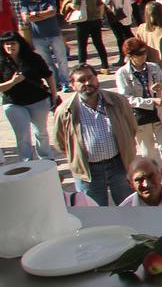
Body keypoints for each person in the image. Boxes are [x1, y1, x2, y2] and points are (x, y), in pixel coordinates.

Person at [51, 65, 138, 205]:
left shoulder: (118, 101)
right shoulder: (64, 111)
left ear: (97, 79)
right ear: (73, 85)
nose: (87, 83)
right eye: (81, 80)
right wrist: (77, 156)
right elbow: (60, 142)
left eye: (90, 78)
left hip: (119, 165)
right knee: (95, 212)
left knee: (129, 206)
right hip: (88, 171)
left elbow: (131, 128)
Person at [0, 31, 58, 161]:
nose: (10, 47)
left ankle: (46, 158)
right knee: (22, 135)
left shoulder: (33, 58)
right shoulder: (1, 62)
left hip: (38, 100)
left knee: (41, 132)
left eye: (13, 43)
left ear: (19, 44)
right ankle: (28, 162)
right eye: (6, 44)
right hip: (13, 103)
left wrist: (54, 94)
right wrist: (12, 82)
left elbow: (48, 75)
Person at [116, 37, 162, 161]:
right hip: (140, 117)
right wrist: (151, 102)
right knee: (148, 153)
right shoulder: (122, 73)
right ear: (130, 56)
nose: (143, 55)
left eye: (145, 52)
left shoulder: (154, 67)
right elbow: (126, 98)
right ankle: (153, 179)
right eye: (139, 53)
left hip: (159, 114)